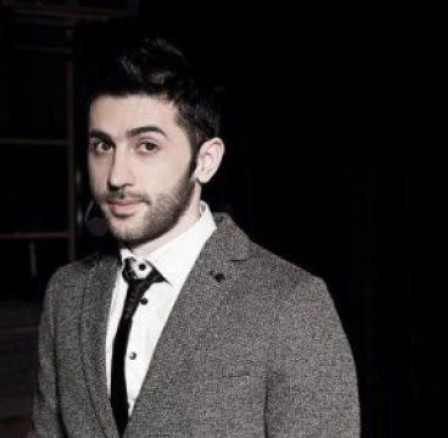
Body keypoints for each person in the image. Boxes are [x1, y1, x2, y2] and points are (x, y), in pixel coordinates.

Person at [31, 37, 360, 437]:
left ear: (206, 161)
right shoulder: (67, 292)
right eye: (103, 145)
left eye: (146, 146)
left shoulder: (291, 302)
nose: (116, 176)